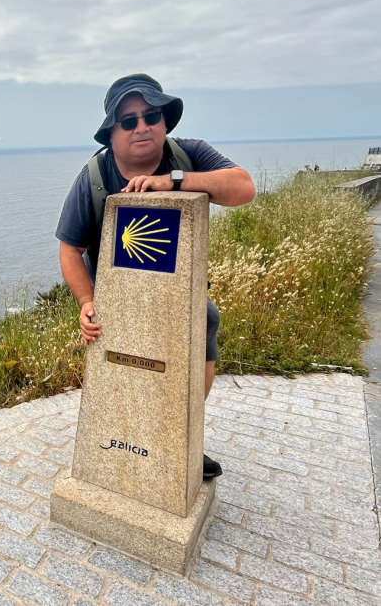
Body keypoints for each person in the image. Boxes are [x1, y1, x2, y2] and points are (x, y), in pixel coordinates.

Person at [56, 73, 256, 481]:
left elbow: (243, 188)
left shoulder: (187, 155)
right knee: (122, 367)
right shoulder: (93, 177)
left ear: (165, 121)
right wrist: (86, 303)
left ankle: (181, 437)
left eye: (151, 115)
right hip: (118, 299)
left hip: (178, 295)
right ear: (112, 133)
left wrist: (176, 182)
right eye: (128, 121)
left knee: (207, 319)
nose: (141, 126)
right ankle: (118, 446)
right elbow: (69, 249)